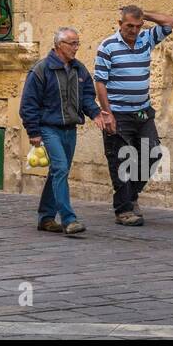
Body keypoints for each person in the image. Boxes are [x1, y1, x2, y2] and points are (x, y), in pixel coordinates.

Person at [93, 5, 173, 226]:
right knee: (120, 159)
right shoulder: (108, 47)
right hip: (118, 114)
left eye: (138, 26)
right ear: (120, 24)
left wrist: (146, 14)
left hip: (142, 111)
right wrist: (107, 113)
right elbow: (100, 82)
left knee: (152, 153)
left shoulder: (146, 40)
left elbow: (170, 21)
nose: (133, 30)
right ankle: (123, 210)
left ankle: (130, 196)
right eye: (129, 25)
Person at [19, 27, 104, 235]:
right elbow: (28, 104)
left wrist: (96, 113)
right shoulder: (41, 69)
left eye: (77, 43)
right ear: (59, 45)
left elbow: (86, 96)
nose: (76, 48)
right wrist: (34, 132)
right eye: (72, 43)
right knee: (60, 169)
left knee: (57, 171)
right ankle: (69, 219)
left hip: (70, 129)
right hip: (48, 128)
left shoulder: (79, 69)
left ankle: (46, 218)